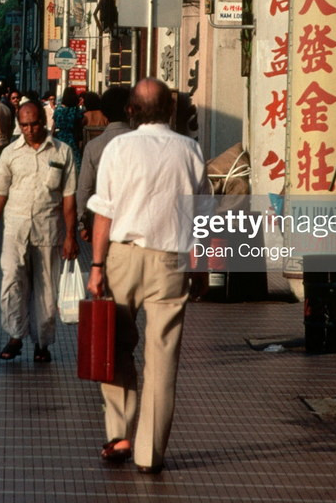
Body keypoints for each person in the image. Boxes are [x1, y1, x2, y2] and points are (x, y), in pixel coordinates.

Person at [86, 78, 208, 475]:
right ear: (170, 110)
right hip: (172, 261)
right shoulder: (191, 150)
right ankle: (149, 453)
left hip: (123, 256)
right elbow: (203, 215)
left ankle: (119, 432)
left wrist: (97, 267)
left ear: (132, 111)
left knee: (116, 345)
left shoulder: (117, 147)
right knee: (162, 358)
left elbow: (103, 212)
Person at [0, 101, 79, 363]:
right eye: (24, 125)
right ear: (18, 124)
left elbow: (69, 198)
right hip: (15, 230)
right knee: (11, 281)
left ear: (44, 122)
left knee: (46, 290)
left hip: (49, 230)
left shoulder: (62, 152)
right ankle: (15, 336)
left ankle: (42, 343)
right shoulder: (10, 153)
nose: (30, 129)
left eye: (34, 123)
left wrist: (71, 235)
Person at [75, 85, 131, 240]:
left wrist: (83, 222)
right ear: (131, 110)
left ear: (104, 113)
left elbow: (85, 188)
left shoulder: (93, 146)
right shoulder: (143, 143)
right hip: (137, 223)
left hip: (103, 222)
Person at [52, 86, 85, 170]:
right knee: (75, 161)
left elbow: (54, 125)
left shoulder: (58, 109)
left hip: (60, 137)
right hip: (73, 137)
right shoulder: (76, 110)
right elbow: (80, 125)